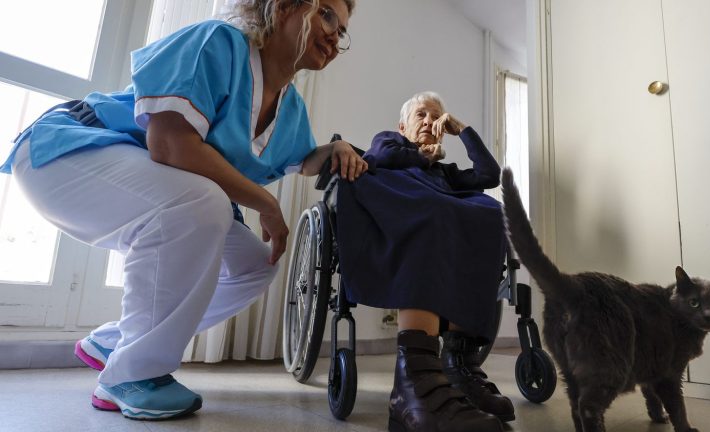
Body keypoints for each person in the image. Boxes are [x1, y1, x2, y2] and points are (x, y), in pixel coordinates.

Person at [0, 0, 366, 421]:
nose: (335, 35)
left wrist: (337, 147)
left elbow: (304, 158)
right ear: (283, 7)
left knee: (257, 263)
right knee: (204, 200)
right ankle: (131, 375)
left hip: (136, 176)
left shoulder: (291, 108)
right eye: (327, 15)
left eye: (342, 29)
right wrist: (265, 203)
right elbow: (170, 143)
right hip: (67, 149)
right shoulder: (219, 43)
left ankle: (115, 343)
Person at [336, 91, 514, 432]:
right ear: (403, 125)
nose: (430, 122)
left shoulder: (444, 173)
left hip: (438, 207)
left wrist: (462, 131)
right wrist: (419, 154)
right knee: (437, 211)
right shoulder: (390, 141)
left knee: (490, 212)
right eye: (422, 115)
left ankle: (459, 365)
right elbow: (382, 156)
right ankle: (415, 380)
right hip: (395, 209)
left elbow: (489, 175)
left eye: (437, 118)